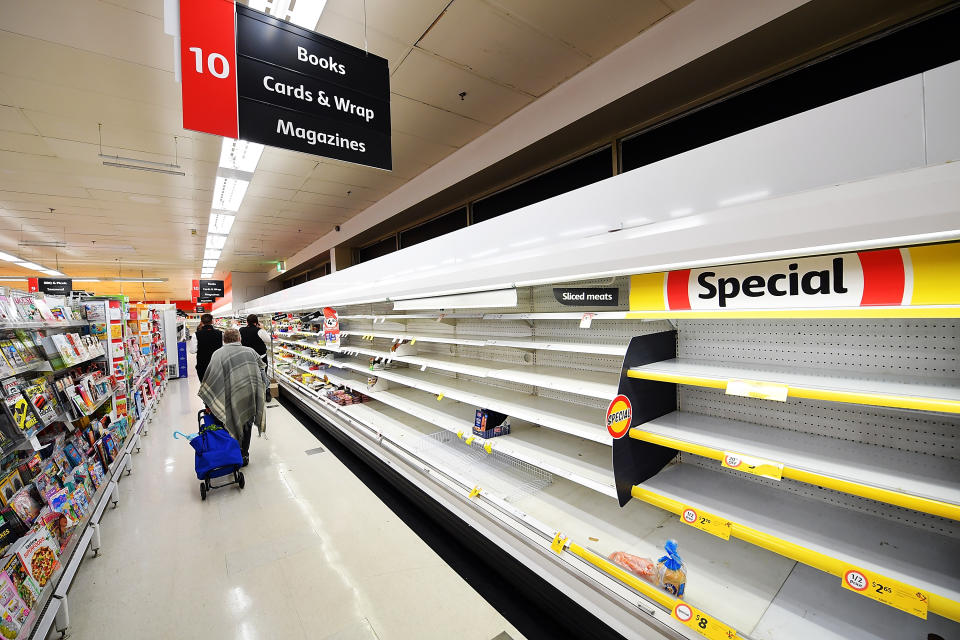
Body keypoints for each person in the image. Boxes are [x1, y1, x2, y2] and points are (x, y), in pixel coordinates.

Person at [198, 329, 266, 466]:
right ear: (239, 339)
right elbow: (262, 371)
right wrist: (262, 388)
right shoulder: (250, 351)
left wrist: (207, 402)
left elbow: (211, 378)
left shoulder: (218, 354)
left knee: (227, 424)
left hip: (228, 396)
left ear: (224, 340)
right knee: (246, 425)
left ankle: (231, 454)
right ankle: (244, 454)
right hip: (248, 396)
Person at [239, 314, 272, 403]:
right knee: (263, 375)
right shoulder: (260, 331)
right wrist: (263, 328)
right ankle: (266, 393)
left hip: (246, 358)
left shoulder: (241, 330)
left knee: (249, 376)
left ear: (247, 322)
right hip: (260, 357)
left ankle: (252, 395)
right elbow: (268, 340)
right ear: (256, 322)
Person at [192, 313, 222, 383]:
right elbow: (223, 347)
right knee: (216, 383)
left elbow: (193, 351)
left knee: (203, 382)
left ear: (202, 322)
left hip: (202, 362)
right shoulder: (220, 333)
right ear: (212, 321)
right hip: (216, 362)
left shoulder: (196, 335)